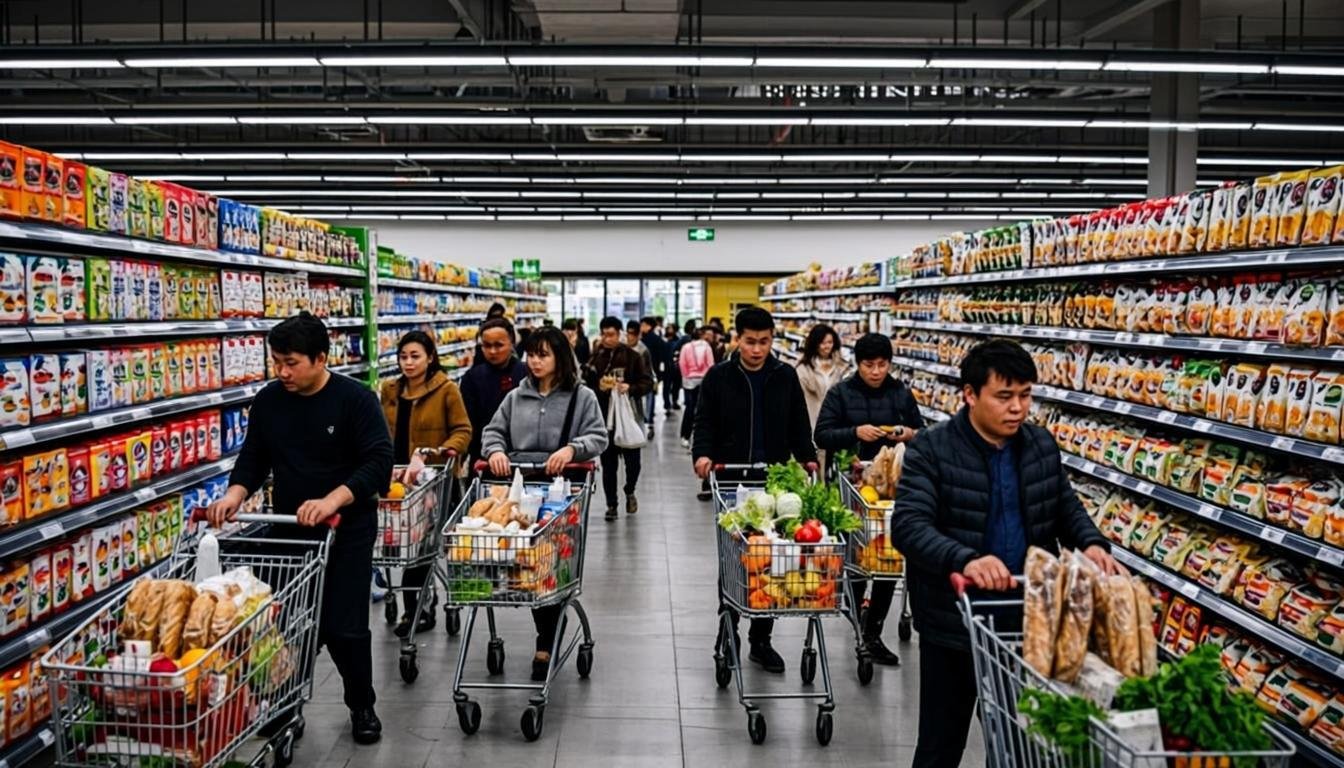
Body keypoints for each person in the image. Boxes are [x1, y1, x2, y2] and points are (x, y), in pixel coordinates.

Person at [890, 339, 1125, 768]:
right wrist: (964, 558)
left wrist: (1091, 544)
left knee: (1022, 743)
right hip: (955, 621)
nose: (1017, 407)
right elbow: (908, 526)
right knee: (941, 743)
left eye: (1025, 395)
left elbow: (1064, 506)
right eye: (1004, 396)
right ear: (970, 394)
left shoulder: (1040, 445)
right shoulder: (932, 448)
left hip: (1026, 619)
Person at [206, 312, 392, 745]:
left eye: (291, 363)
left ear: (321, 358)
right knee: (286, 620)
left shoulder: (355, 400)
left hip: (346, 528)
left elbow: (378, 461)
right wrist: (235, 494)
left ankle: (361, 704)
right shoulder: (271, 400)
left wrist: (332, 499)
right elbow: (254, 455)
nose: (282, 372)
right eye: (276, 362)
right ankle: (285, 702)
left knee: (344, 625)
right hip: (289, 527)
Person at [693, 307, 816, 673]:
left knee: (772, 560)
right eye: (750, 342)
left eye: (764, 342)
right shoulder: (719, 377)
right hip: (732, 480)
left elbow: (798, 422)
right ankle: (728, 627)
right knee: (735, 558)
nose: (757, 349)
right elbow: (704, 421)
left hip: (774, 481)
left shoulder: (784, 376)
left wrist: (808, 458)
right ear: (737, 339)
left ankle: (761, 640)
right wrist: (702, 455)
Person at [481, 327, 607, 681]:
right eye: (531, 354)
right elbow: (493, 431)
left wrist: (571, 450)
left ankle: (545, 640)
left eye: (543, 355)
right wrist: (495, 452)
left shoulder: (581, 397)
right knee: (521, 562)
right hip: (518, 497)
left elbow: (599, 436)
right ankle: (546, 629)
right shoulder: (515, 397)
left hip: (560, 496)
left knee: (547, 566)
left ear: (560, 358)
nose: (534, 361)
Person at [812, 332, 922, 666]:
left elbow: (920, 431)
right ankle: (858, 619)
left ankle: (873, 631)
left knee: (887, 558)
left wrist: (908, 434)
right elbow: (822, 434)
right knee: (858, 555)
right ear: (857, 364)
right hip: (851, 484)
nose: (876, 372)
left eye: (882, 365)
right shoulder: (841, 393)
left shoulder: (901, 393)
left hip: (889, 490)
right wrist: (855, 432)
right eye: (869, 365)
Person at [378, 330, 472, 638]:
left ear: (430, 357)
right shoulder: (390, 390)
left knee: (419, 548)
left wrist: (444, 450)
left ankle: (416, 610)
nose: (408, 363)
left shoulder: (446, 390)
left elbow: (463, 430)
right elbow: (380, 431)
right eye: (403, 357)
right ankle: (416, 603)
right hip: (397, 484)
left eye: (415, 356)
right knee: (405, 545)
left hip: (433, 483)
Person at [583, 316, 654, 520]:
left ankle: (629, 489)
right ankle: (611, 504)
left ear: (620, 333)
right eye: (604, 334)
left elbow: (648, 382)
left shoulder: (633, 357)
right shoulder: (596, 357)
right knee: (608, 465)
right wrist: (598, 386)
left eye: (611, 334)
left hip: (629, 417)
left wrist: (629, 388)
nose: (607, 338)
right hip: (606, 420)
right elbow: (587, 385)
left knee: (633, 463)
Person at [460, 318, 528, 465]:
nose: (492, 351)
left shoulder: (527, 374)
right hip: (484, 458)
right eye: (487, 345)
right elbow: (468, 422)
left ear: (511, 343)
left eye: (499, 345)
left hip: (522, 457)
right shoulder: (472, 378)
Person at [793, 324, 850, 468]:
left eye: (830, 342)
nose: (827, 346)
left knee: (833, 464)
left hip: (835, 423)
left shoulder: (842, 368)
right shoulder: (803, 368)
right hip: (811, 419)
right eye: (823, 342)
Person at [678, 324, 715, 450]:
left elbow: (682, 363)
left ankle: (685, 436)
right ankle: (700, 438)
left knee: (689, 408)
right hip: (704, 380)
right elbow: (711, 364)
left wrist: (686, 376)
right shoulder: (707, 347)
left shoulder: (686, 347)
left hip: (689, 381)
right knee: (703, 409)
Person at [626, 321, 656, 438]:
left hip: (636, 388)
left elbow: (647, 374)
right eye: (628, 333)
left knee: (638, 413)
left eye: (633, 334)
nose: (630, 337)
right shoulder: (622, 346)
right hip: (624, 389)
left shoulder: (643, 350)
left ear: (639, 335)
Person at [640, 317, 669, 423]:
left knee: (648, 395)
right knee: (650, 395)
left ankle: (647, 417)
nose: (641, 327)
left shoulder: (644, 341)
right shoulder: (658, 340)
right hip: (654, 372)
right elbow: (663, 358)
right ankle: (649, 416)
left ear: (649, 326)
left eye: (643, 325)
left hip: (647, 372)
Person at [663, 324, 684, 411]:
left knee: (676, 386)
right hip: (666, 367)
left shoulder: (679, 341)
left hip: (676, 367)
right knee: (667, 386)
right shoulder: (664, 341)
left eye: (671, 328)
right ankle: (667, 403)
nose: (669, 330)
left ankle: (674, 401)